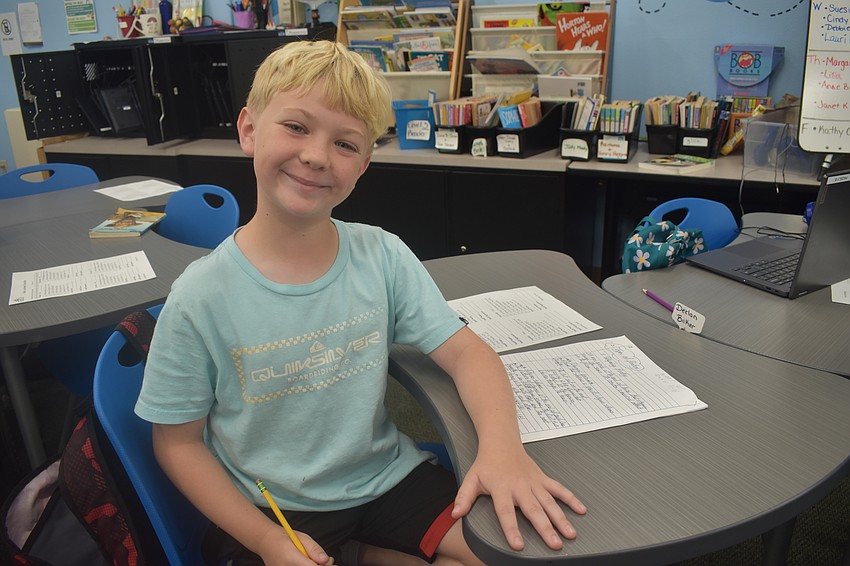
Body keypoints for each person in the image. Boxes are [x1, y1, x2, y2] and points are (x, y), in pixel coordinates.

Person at [135, 39, 586, 566]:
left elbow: (468, 353)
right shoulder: (199, 296)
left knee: (508, 554)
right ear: (250, 130)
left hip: (385, 478)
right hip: (275, 511)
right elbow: (177, 444)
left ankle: (365, 550)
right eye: (297, 127)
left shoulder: (382, 254)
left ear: (364, 165)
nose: (317, 156)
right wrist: (265, 540)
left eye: (345, 145)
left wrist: (504, 452)